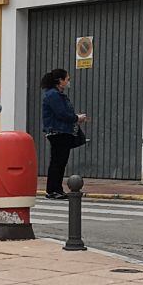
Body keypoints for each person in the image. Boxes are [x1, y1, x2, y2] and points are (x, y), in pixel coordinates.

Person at [41, 69, 88, 200]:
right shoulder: (53, 95)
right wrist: (76, 118)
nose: (68, 82)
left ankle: (56, 189)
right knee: (58, 161)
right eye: (67, 79)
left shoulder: (56, 94)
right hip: (58, 132)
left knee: (60, 161)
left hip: (61, 131)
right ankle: (53, 190)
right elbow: (61, 114)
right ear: (60, 81)